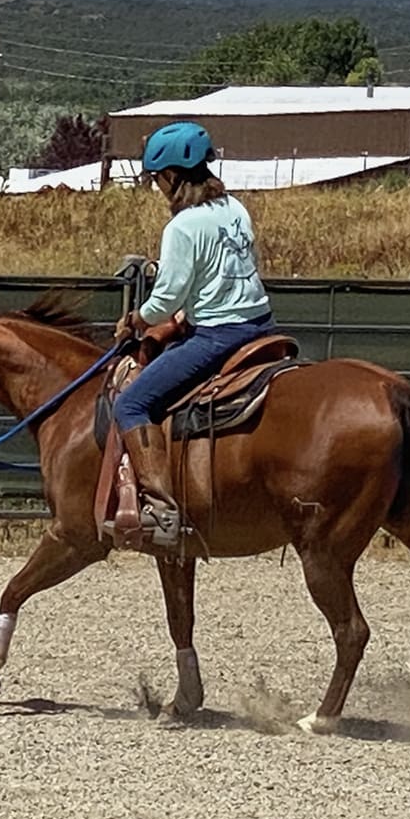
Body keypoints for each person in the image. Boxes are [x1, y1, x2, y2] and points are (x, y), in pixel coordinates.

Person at [112, 121, 274, 550]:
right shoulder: (236, 209)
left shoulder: (182, 227)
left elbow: (166, 298)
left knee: (132, 404)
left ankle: (163, 511)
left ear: (172, 176)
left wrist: (136, 320)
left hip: (217, 336)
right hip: (262, 327)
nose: (157, 187)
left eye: (157, 179)